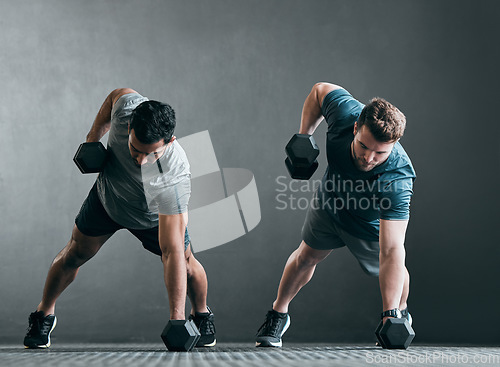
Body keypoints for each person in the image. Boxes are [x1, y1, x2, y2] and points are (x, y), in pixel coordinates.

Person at [23, 88, 216, 348]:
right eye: (135, 150)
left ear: (169, 142)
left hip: (152, 216)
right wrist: (92, 139)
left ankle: (200, 314)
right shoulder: (126, 108)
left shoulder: (175, 173)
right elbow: (117, 94)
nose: (141, 160)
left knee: (185, 261)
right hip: (109, 199)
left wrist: (176, 321)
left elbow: (170, 251)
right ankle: (43, 313)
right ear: (128, 127)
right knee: (73, 254)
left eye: (151, 155)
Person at [256, 82, 416, 347]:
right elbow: (319, 90)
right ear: (355, 128)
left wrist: (389, 312)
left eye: (380, 153)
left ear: (395, 144)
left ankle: (400, 312)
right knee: (305, 256)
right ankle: (278, 314)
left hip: (367, 222)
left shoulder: (397, 178)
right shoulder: (345, 114)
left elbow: (392, 250)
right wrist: (304, 137)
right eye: (364, 146)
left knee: (395, 264)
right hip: (331, 202)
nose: (369, 158)